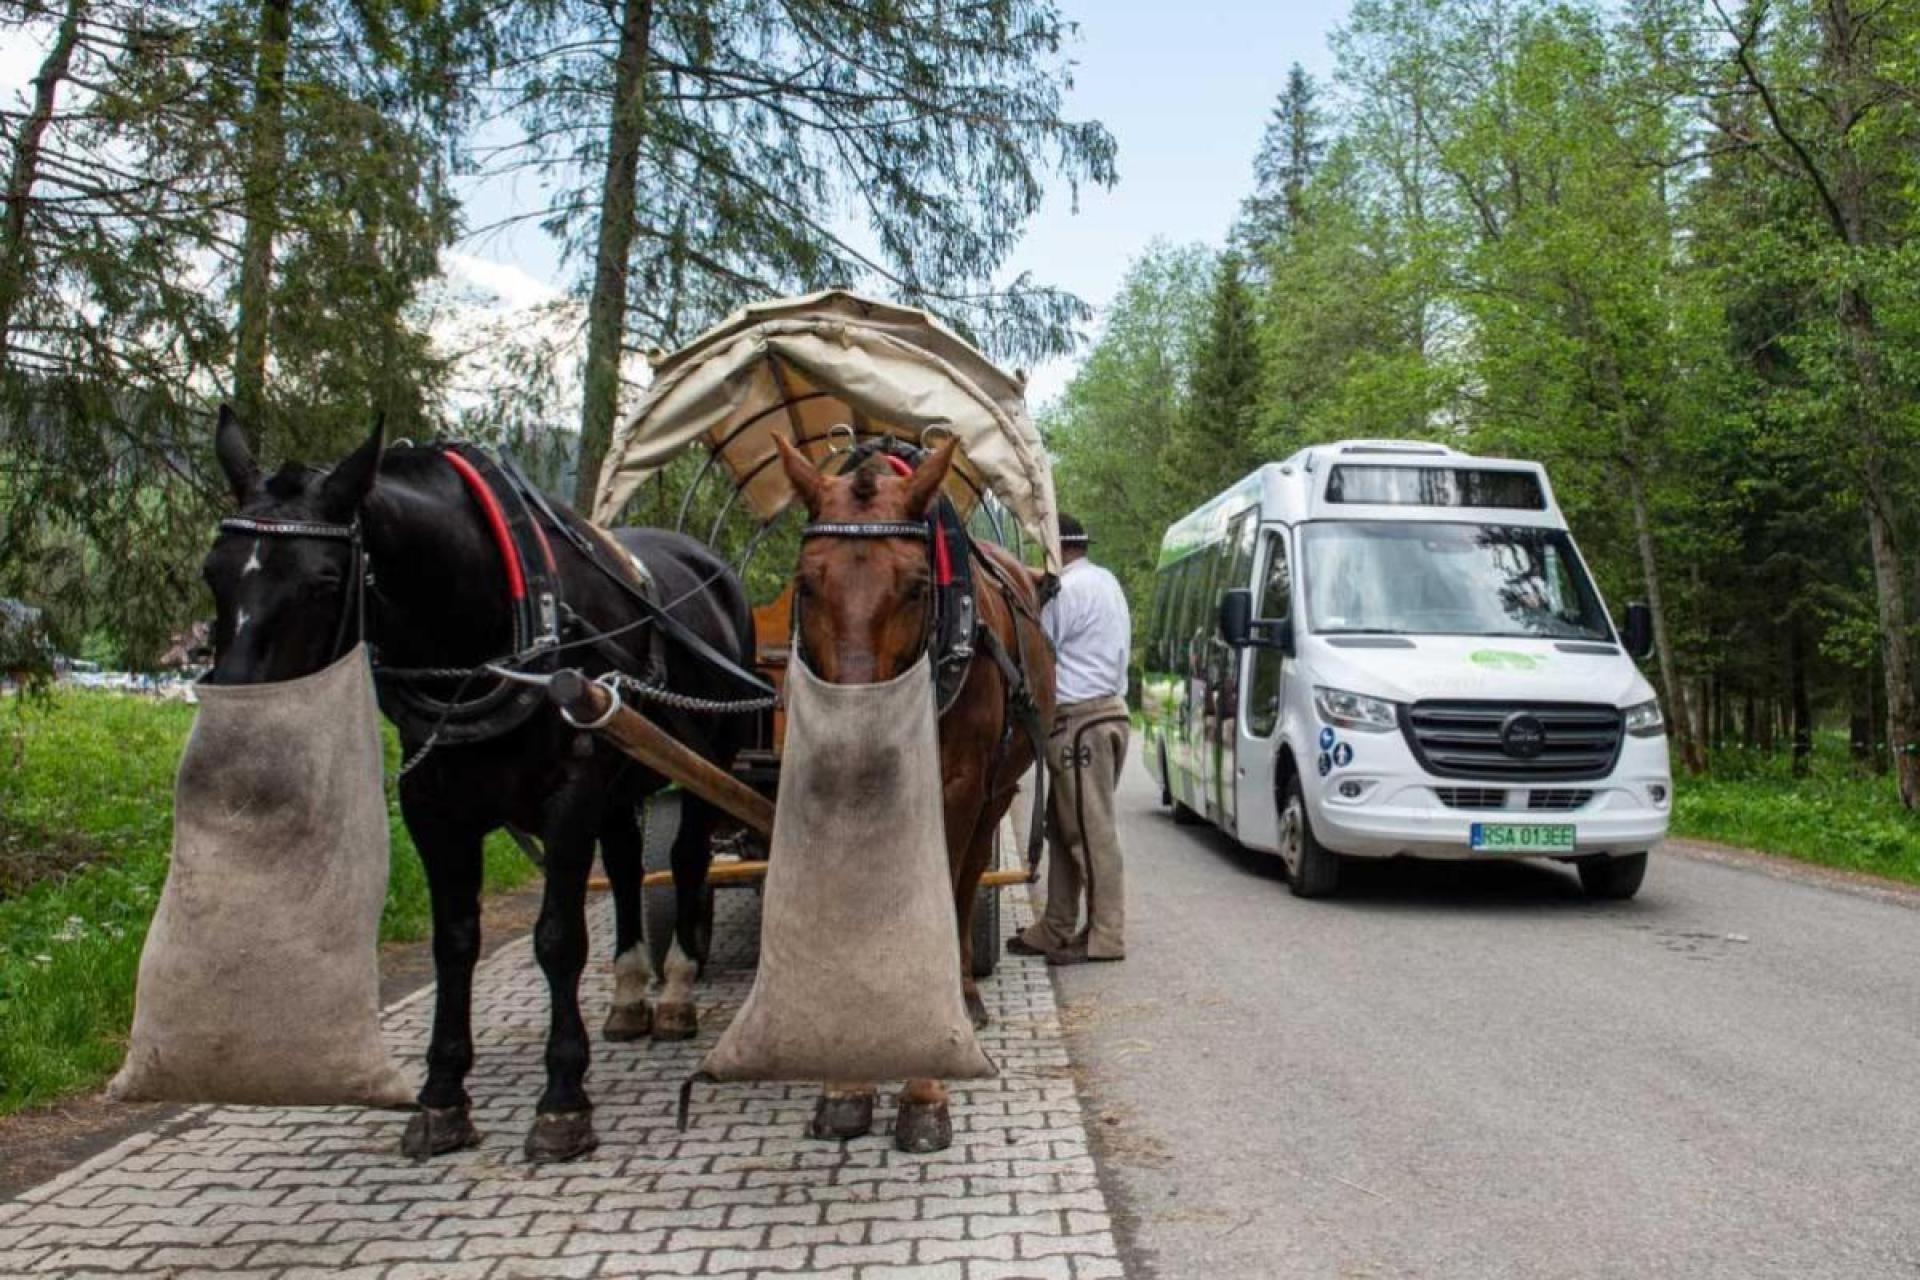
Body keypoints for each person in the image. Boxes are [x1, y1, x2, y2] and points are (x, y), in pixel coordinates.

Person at [1010, 513, 1132, 965]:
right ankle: (1056, 927)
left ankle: (1105, 937)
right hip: (1108, 715)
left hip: (1081, 721)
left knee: (1090, 833)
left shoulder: (1066, 593)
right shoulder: (1105, 582)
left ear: (1054, 550)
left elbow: (1039, 653)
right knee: (1066, 829)